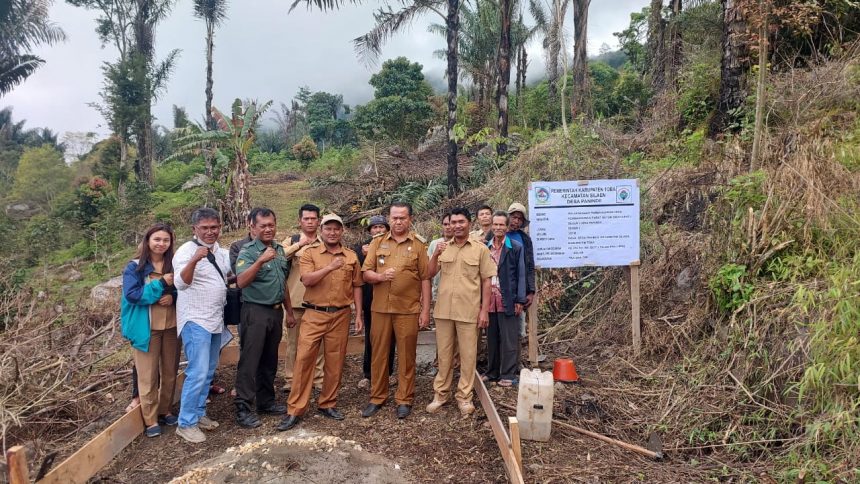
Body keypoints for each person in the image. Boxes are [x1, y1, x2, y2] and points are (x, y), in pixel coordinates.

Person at [278, 214, 364, 431]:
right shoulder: (309, 253)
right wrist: (330, 267)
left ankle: (328, 402)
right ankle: (295, 409)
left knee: (335, 362)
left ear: (342, 231)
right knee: (304, 359)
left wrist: (359, 314)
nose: (332, 232)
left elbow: (356, 286)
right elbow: (307, 280)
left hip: (341, 315)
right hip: (314, 314)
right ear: (321, 230)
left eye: (337, 229)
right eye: (328, 229)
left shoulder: (351, 256)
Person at [360, 202, 431, 420]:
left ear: (410, 219)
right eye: (394, 218)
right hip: (380, 309)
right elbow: (366, 273)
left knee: (407, 355)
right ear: (389, 219)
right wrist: (380, 277)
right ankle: (377, 396)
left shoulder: (419, 245)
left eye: (402, 218)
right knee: (379, 354)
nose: (398, 222)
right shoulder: (377, 242)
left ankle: (404, 399)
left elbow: (425, 278)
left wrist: (425, 310)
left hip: (408, 310)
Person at [426, 207, 496, 416]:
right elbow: (428, 274)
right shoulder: (442, 248)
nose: (456, 226)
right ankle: (440, 395)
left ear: (469, 223)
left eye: (461, 222)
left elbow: (487, 280)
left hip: (469, 311)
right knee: (445, 356)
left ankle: (464, 397)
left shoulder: (480, 249)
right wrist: (436, 253)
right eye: (453, 222)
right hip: (444, 311)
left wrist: (484, 311)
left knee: (467, 356)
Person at [173, 208, 233, 443]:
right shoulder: (186, 251)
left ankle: (198, 414)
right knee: (197, 372)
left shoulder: (220, 252)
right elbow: (181, 283)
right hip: (195, 320)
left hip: (215, 319)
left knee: (208, 370)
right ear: (194, 229)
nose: (210, 232)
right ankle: (185, 423)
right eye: (205, 228)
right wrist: (195, 259)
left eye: (214, 227)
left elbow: (227, 275)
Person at [234, 208, 298, 428]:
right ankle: (243, 407)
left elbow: (283, 284)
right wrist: (260, 261)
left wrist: (289, 312)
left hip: (275, 311)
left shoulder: (279, 249)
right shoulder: (248, 251)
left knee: (270, 359)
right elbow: (241, 282)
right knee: (250, 360)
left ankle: (266, 402)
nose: (268, 229)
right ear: (253, 227)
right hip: (255, 311)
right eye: (263, 225)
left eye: (271, 224)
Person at [121, 223, 179, 438]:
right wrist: (160, 284)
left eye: (166, 240)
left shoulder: (174, 264)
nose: (161, 244)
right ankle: (151, 418)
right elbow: (133, 295)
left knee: (170, 372)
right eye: (157, 239)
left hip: (171, 326)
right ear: (147, 241)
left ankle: (166, 410)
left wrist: (173, 297)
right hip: (147, 329)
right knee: (148, 376)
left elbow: (184, 288)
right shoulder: (135, 268)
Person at [281, 204, 325, 392]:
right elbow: (277, 257)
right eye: (306, 218)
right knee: (293, 343)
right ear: (300, 221)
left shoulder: (326, 241)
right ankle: (291, 379)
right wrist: (299, 245)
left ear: (319, 220)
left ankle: (318, 379)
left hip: (319, 302)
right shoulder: (291, 241)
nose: (310, 222)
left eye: (313, 218)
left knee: (319, 344)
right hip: (295, 301)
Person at [483, 211, 526, 387]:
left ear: (507, 227)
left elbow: (521, 274)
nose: (498, 228)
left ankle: (508, 374)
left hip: (508, 298)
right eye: (496, 224)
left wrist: (520, 300)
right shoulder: (485, 248)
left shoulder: (515, 247)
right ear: (491, 226)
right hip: (489, 299)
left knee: (509, 338)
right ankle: (492, 372)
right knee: (492, 338)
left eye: (502, 225)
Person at [353, 215, 395, 389]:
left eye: (381, 227)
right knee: (372, 336)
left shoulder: (392, 245)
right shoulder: (360, 248)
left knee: (390, 337)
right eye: (374, 228)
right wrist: (365, 255)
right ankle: (368, 374)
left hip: (389, 298)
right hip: (370, 299)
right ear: (369, 231)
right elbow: (358, 275)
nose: (378, 231)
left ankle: (389, 372)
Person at [506, 202, 536, 337]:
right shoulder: (494, 235)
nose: (516, 221)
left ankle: (515, 358)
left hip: (519, 289)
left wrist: (530, 291)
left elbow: (529, 266)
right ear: (508, 217)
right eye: (513, 217)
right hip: (499, 290)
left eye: (519, 219)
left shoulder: (525, 239)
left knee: (518, 331)